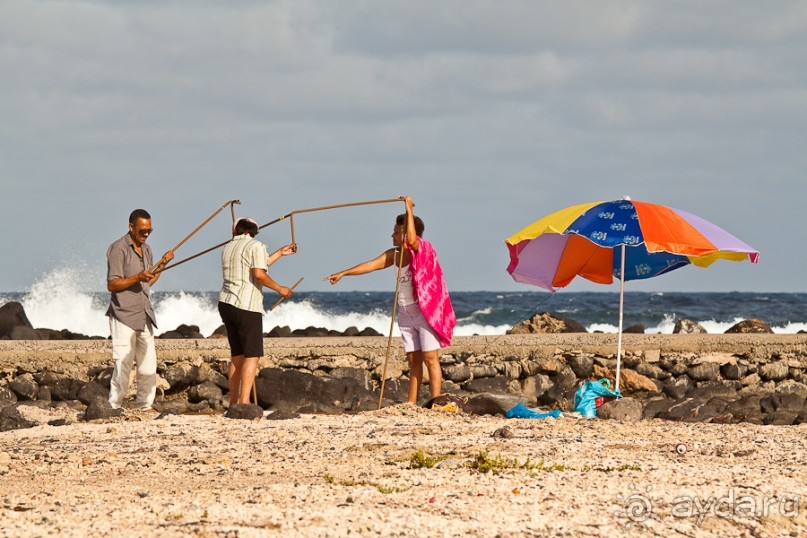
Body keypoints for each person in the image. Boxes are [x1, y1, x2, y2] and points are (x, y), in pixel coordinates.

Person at [324, 196, 456, 404]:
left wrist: (408, 210)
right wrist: (344, 273)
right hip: (405, 312)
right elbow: (370, 265)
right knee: (413, 360)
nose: (392, 235)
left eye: (396, 231)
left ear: (405, 232)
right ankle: (412, 403)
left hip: (424, 311)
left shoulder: (422, 250)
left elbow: (412, 240)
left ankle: (436, 401)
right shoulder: (394, 255)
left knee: (430, 358)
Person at [219, 217, 297, 405]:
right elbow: (259, 274)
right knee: (252, 355)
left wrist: (280, 252)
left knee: (237, 356)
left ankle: (234, 401)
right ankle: (245, 402)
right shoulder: (257, 246)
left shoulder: (227, 247)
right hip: (246, 304)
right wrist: (280, 289)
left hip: (226, 303)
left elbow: (258, 264)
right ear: (254, 232)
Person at [106, 209, 174, 411]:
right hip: (123, 314)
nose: (146, 234)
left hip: (144, 314)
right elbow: (112, 284)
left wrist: (161, 265)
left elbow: (149, 281)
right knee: (123, 363)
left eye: (149, 230)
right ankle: (114, 405)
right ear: (131, 227)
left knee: (148, 364)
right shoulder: (118, 249)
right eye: (142, 230)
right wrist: (137, 277)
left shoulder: (148, 250)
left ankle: (145, 405)